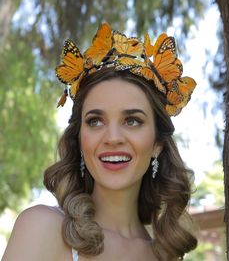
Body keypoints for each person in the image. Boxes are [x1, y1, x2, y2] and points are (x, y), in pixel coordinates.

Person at [2, 22, 198, 261]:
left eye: (132, 121)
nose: (113, 138)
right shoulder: (42, 228)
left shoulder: (166, 255)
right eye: (95, 121)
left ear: (157, 143)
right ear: (80, 139)